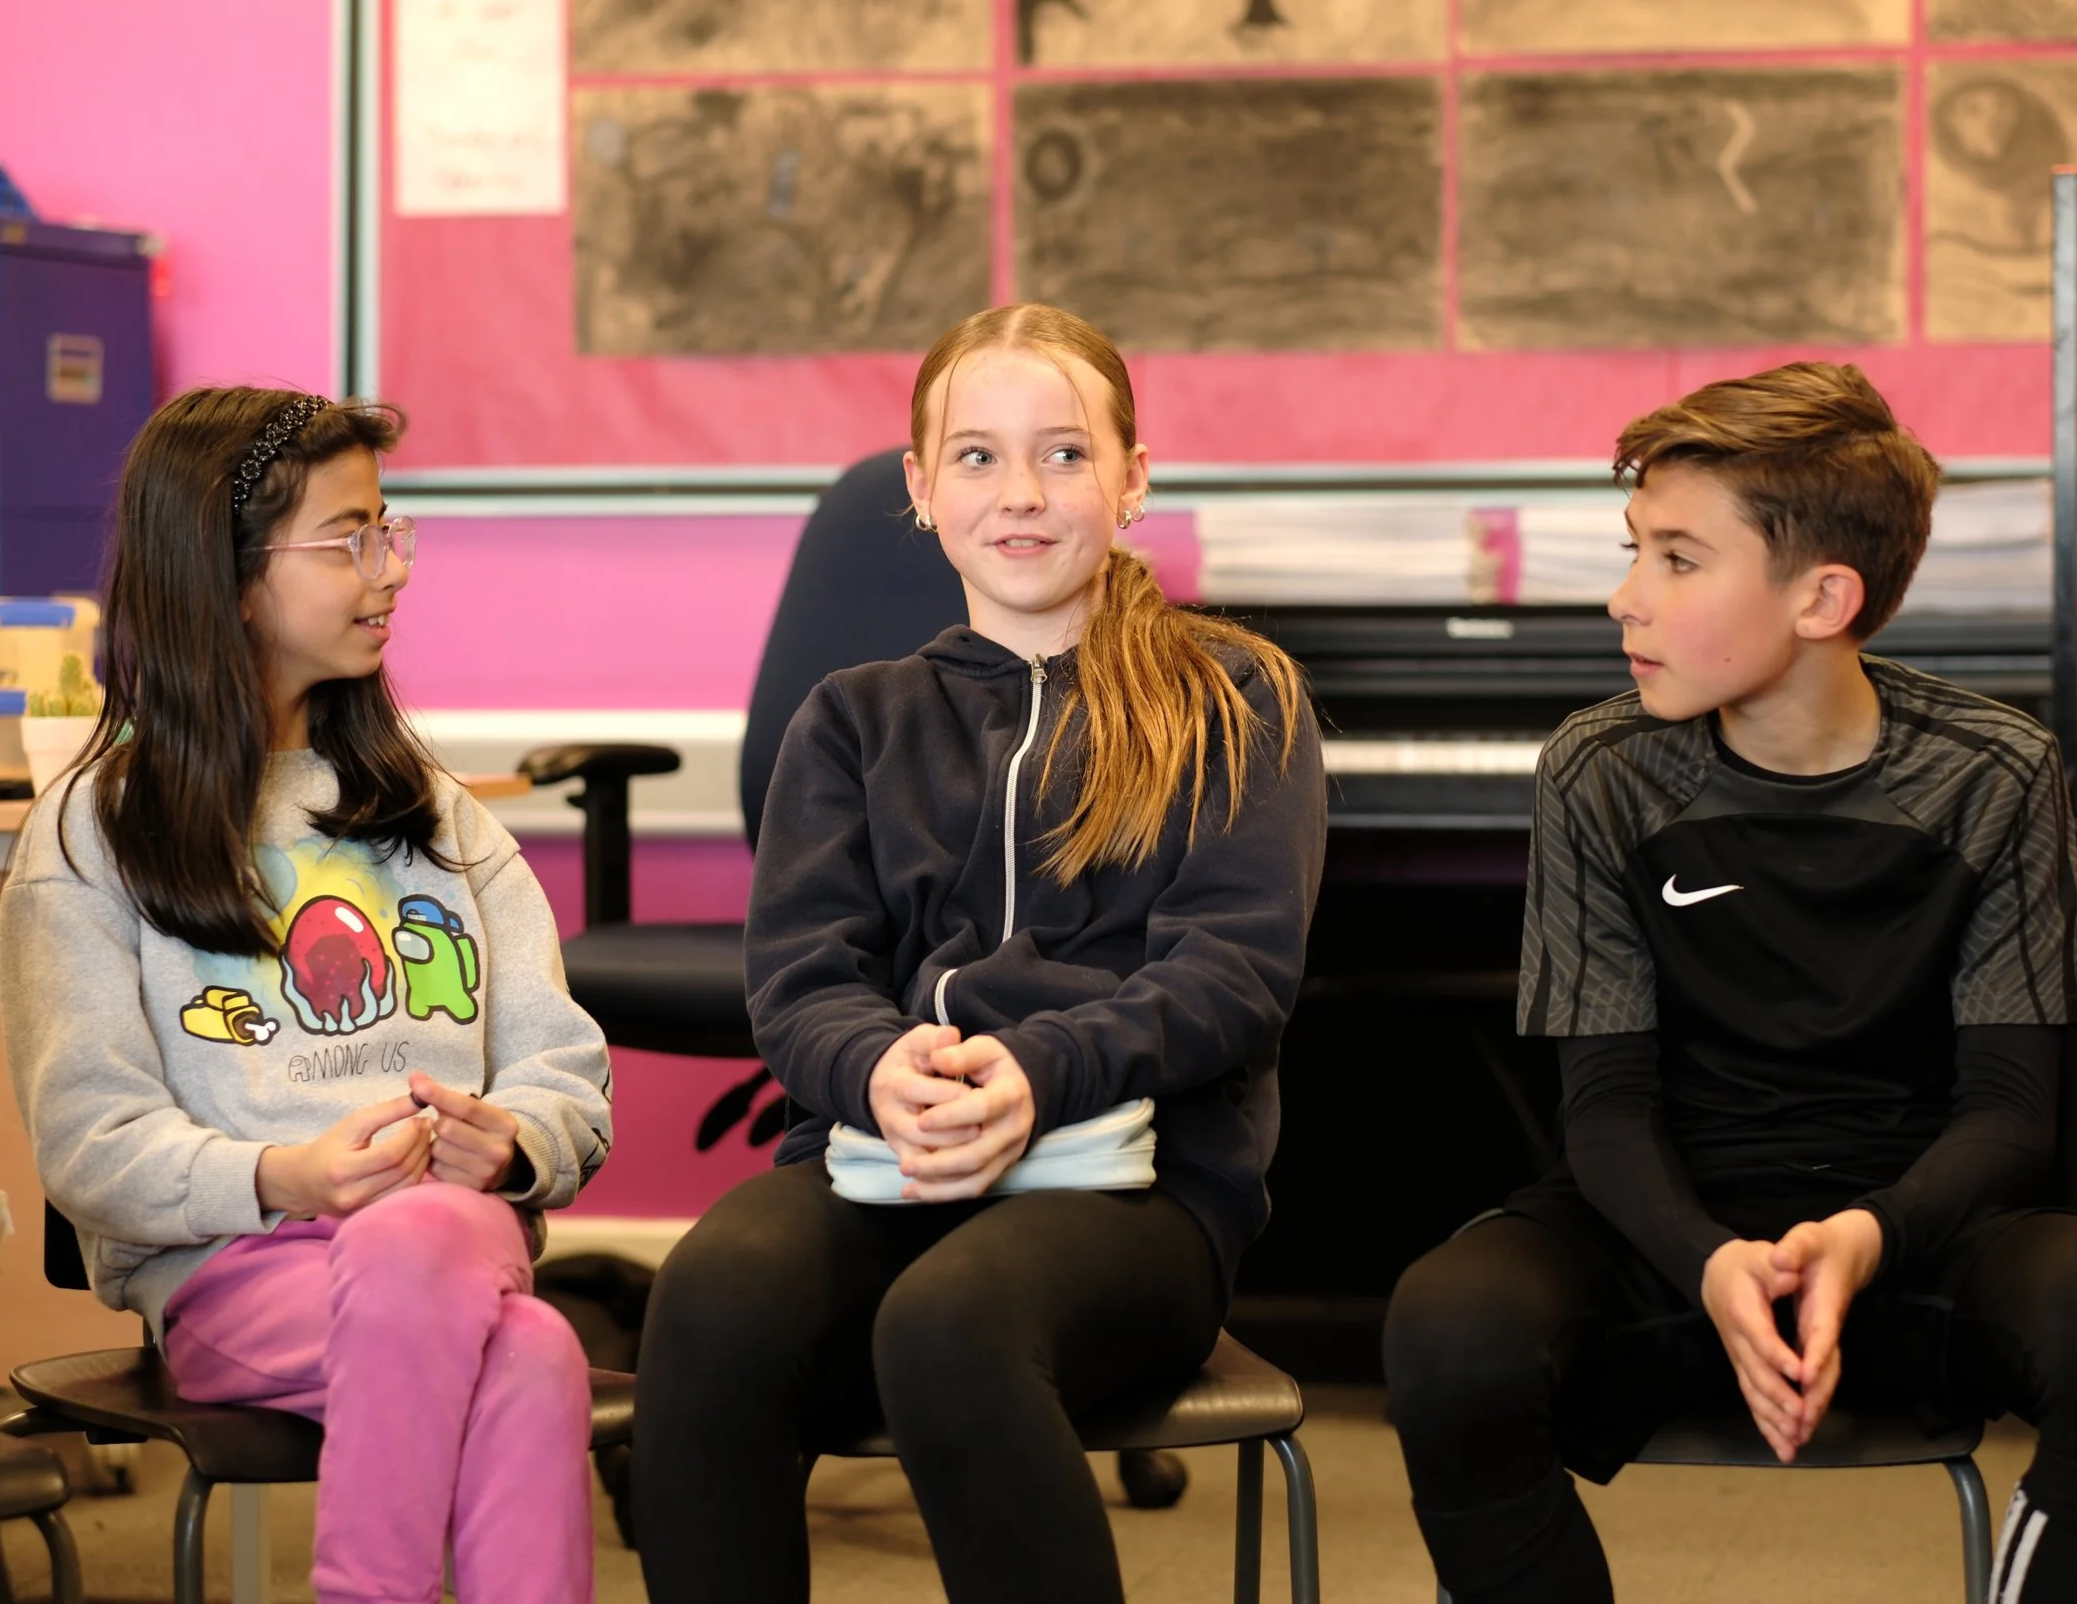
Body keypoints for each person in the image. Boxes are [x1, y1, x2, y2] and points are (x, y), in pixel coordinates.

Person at [632, 303, 1327, 1604]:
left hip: (1137, 1195)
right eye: (977, 456)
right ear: (919, 487)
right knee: (712, 1295)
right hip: (884, 1164)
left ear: (1133, 479)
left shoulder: (1235, 700)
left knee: (951, 1323)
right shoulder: (853, 721)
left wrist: (1036, 1071)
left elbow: (1230, 975)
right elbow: (801, 981)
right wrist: (876, 1068)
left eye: (1064, 454)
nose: (1021, 493)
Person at [1383, 361, 2077, 1603]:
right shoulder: (1598, 768)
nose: (1624, 596)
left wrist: (1869, 1234)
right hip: (1661, 1228)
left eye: (1677, 559)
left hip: (1916, 1232)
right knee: (1448, 1324)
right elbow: (1603, 1109)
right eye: (1634, 549)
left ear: (1822, 596)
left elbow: (2011, 1112)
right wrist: (1707, 1257)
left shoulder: (1998, 772)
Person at [1, 388, 614, 1604]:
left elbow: (564, 1070)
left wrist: (513, 1143)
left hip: (452, 1233)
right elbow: (88, 1142)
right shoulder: (93, 832)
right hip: (236, 1275)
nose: (390, 567)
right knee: (535, 1350)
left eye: (389, 530)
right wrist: (289, 1174)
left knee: (423, 1230)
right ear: (228, 579)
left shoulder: (439, 816)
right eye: (348, 540)